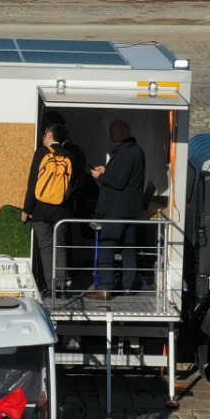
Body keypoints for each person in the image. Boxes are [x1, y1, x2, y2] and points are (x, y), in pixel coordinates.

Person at [89, 120, 148, 293]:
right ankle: (128, 286)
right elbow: (125, 177)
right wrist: (106, 171)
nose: (110, 137)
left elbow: (120, 182)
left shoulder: (127, 153)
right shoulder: (136, 151)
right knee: (129, 249)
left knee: (107, 246)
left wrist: (100, 176)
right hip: (131, 210)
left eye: (112, 134)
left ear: (120, 134)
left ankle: (106, 287)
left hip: (117, 209)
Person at [23, 120, 77, 294]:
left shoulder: (41, 153)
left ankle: (51, 287)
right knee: (60, 246)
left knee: (46, 248)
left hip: (41, 209)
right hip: (62, 210)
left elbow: (33, 183)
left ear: (49, 135)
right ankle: (62, 285)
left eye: (45, 134)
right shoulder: (70, 156)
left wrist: (27, 209)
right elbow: (73, 185)